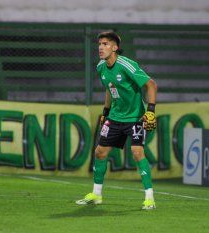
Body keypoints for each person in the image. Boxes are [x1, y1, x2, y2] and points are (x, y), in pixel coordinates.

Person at [76, 31, 158, 210]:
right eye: (99, 44)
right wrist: (105, 112)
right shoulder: (101, 67)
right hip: (115, 117)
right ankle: (96, 195)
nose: (100, 47)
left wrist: (150, 111)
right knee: (99, 152)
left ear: (115, 48)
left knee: (137, 152)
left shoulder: (126, 65)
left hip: (135, 117)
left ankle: (149, 198)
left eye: (105, 44)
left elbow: (151, 84)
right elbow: (109, 88)